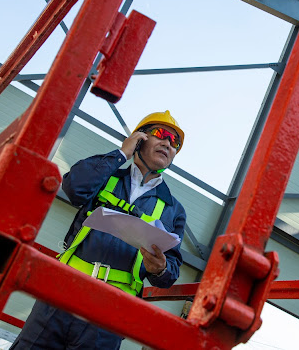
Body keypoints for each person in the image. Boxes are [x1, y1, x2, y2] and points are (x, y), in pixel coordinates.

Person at [11, 111, 187, 349]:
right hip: (61, 294)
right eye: (162, 134)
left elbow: (171, 273)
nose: (168, 143)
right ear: (140, 138)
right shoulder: (106, 175)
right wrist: (121, 153)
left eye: (174, 142)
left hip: (111, 312)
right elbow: (75, 187)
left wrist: (161, 268)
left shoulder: (173, 209)